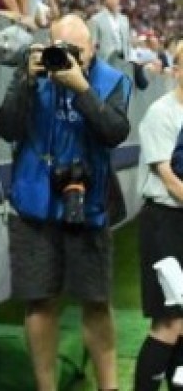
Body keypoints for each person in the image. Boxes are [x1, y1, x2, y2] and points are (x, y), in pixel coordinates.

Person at [0, 14, 131, 391]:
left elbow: (115, 132)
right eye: (62, 49)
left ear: (94, 49)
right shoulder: (34, 73)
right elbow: (6, 126)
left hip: (88, 204)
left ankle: (109, 386)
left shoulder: (112, 80)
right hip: (35, 205)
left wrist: (82, 89)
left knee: (96, 301)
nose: (69, 58)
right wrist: (26, 80)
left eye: (78, 51)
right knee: (39, 301)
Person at [132, 43, 183, 391]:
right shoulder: (160, 114)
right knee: (169, 322)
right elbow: (171, 180)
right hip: (164, 223)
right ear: (176, 70)